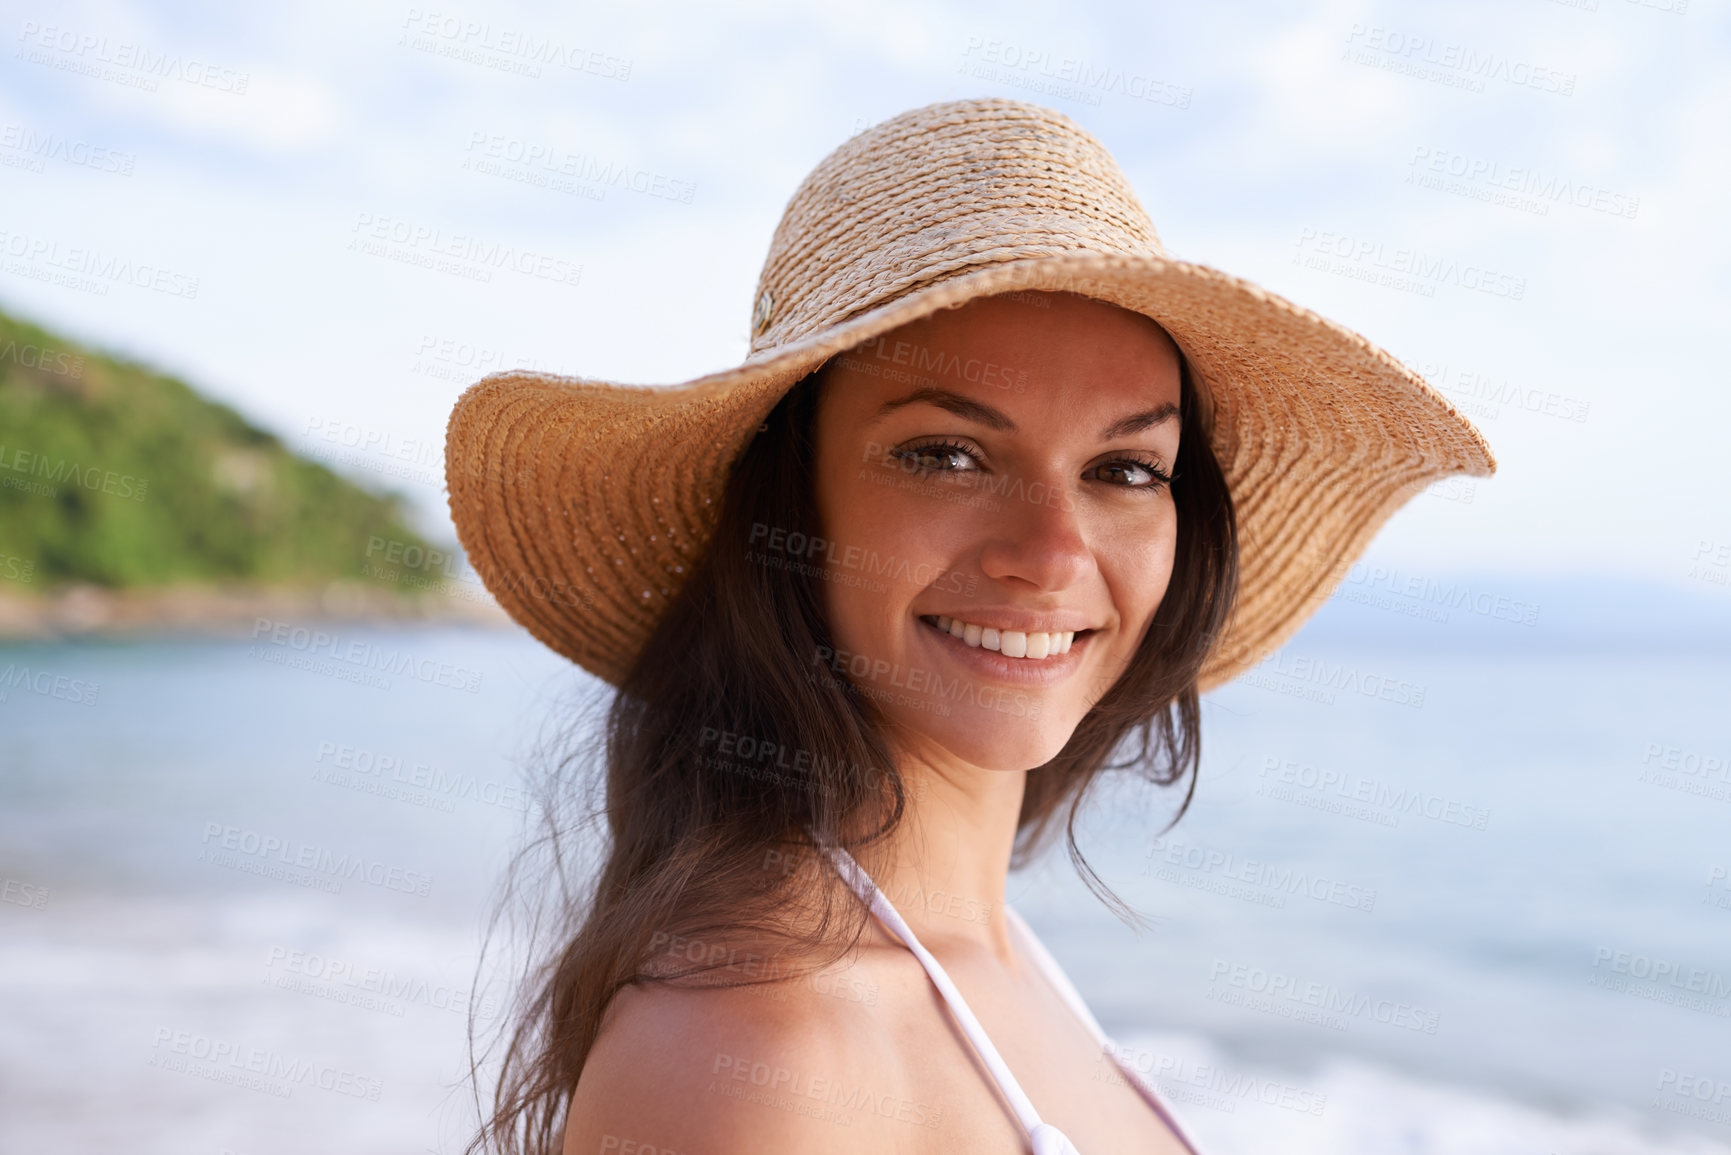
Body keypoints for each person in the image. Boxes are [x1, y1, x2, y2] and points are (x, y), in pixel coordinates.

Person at [444, 97, 1494, 1155]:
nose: (1050, 555)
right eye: (945, 454)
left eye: (1126, 469)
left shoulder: (995, 959)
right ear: (787, 507)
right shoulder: (765, 1055)